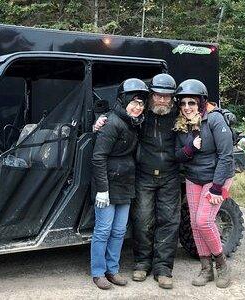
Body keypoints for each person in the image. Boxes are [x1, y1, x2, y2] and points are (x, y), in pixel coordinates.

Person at [93, 73, 181, 289]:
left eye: (166, 96)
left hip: (170, 176)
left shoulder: (178, 115)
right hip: (143, 176)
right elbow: (118, 115)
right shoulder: (140, 116)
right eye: (158, 95)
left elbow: (200, 111)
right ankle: (141, 264)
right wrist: (98, 121)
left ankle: (163, 269)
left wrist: (219, 113)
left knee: (168, 222)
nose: (162, 100)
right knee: (142, 221)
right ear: (151, 95)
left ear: (172, 98)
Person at [173, 79, 234, 288]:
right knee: (194, 224)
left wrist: (217, 187)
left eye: (192, 102)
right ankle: (205, 268)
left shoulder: (215, 120)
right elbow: (177, 155)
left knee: (203, 221)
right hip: (193, 177)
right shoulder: (180, 125)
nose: (187, 107)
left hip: (217, 178)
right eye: (183, 103)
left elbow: (226, 156)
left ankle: (222, 265)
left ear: (201, 102)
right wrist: (190, 148)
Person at [91, 78, 148, 290]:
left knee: (118, 231)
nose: (137, 107)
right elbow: (98, 158)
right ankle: (98, 273)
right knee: (103, 230)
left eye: (141, 103)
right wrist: (102, 190)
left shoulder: (135, 123)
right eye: (134, 102)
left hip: (125, 184)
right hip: (107, 185)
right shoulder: (112, 123)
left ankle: (112, 270)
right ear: (123, 101)